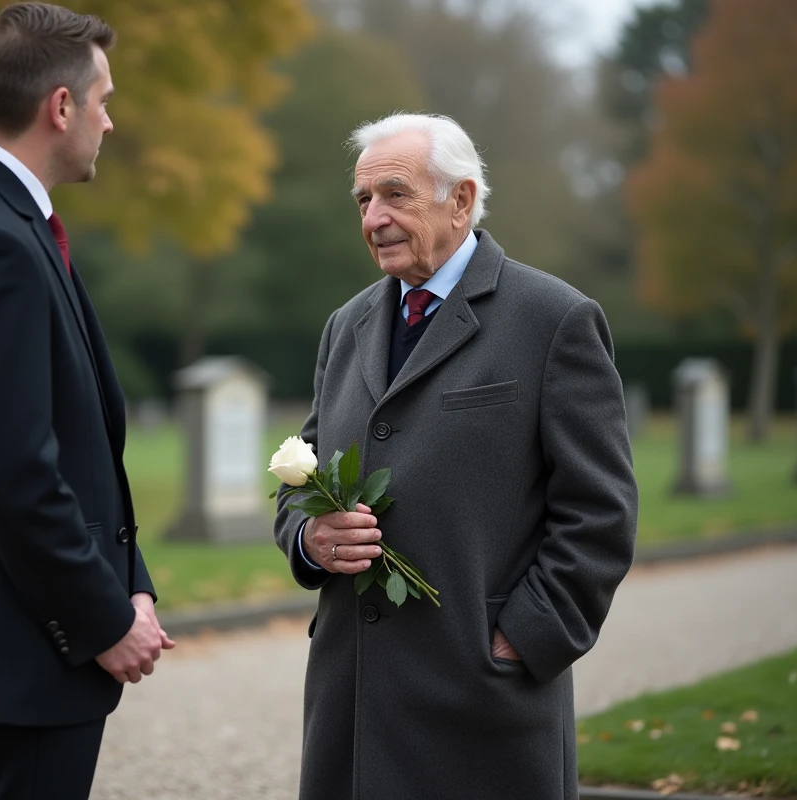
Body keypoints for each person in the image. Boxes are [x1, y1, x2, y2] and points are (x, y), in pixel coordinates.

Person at [274, 112, 639, 799]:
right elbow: (306, 470)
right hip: (350, 700)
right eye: (363, 200)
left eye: (394, 194)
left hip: (483, 702)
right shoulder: (345, 326)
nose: (374, 217)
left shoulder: (555, 319)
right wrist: (309, 536)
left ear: (462, 199)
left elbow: (600, 513)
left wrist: (520, 641)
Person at [0, 5, 173, 798]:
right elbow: (15, 472)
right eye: (103, 100)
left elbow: (73, 443)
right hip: (27, 650)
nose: (109, 123)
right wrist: (101, 621)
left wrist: (132, 581)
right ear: (61, 107)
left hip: (30, 645)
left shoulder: (2, 222)